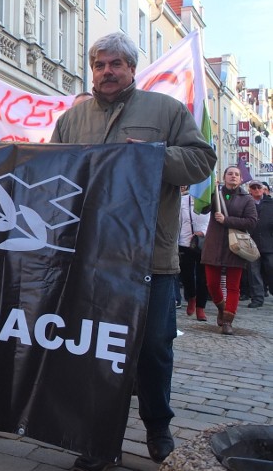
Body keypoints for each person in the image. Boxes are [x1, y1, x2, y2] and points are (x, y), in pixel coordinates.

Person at [50, 32, 216, 471]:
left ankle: (158, 427)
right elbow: (52, 174)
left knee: (155, 348)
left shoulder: (166, 111)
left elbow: (202, 160)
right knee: (96, 348)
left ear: (131, 68)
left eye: (115, 64)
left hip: (150, 257)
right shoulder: (73, 119)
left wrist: (153, 157)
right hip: (91, 257)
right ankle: (99, 438)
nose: (107, 72)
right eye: (100, 65)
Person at [200, 167, 257, 334]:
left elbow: (252, 222)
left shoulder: (246, 199)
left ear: (240, 179)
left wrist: (227, 220)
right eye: (230, 173)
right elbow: (202, 209)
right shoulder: (215, 193)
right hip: (214, 244)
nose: (233, 176)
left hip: (236, 247)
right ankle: (221, 308)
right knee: (211, 284)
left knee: (233, 286)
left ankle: (227, 321)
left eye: (236, 174)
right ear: (224, 177)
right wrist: (206, 192)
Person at [178, 186, 210, 321]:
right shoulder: (182, 201)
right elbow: (177, 222)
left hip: (204, 243)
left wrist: (203, 232)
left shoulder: (209, 201)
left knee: (204, 277)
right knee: (187, 275)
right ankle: (191, 297)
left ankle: (201, 307)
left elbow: (213, 223)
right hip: (185, 243)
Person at [245, 181, 273, 307]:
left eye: (259, 187)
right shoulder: (246, 202)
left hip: (269, 242)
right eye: (253, 187)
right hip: (251, 243)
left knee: (271, 269)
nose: (256, 189)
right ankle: (257, 298)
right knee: (253, 272)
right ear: (250, 189)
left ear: (264, 189)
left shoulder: (270, 203)